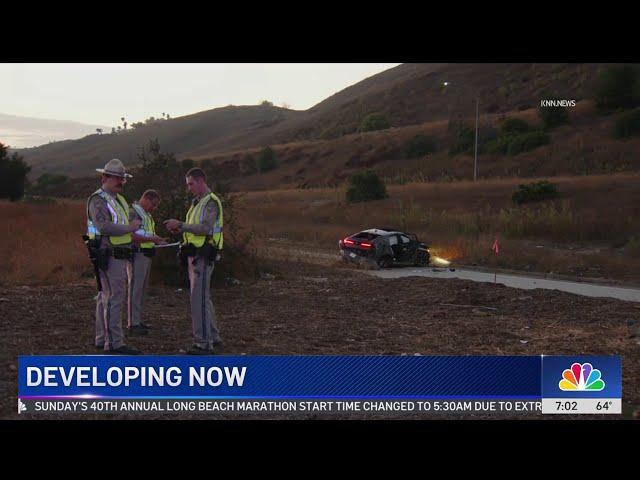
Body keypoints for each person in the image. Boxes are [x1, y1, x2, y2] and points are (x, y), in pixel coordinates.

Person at [164, 168, 223, 355]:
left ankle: (203, 343)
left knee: (199, 300)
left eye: (190, 184)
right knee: (203, 298)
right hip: (195, 254)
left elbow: (205, 228)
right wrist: (181, 230)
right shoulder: (197, 203)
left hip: (203, 255)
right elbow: (195, 228)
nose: (188, 188)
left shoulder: (210, 202)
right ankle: (212, 336)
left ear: (200, 181)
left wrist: (181, 225)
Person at [86, 159, 142, 354]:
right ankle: (115, 344)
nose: (120, 181)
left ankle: (103, 339)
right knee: (114, 298)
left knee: (106, 297)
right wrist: (130, 228)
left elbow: (121, 225)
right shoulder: (98, 199)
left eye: (122, 178)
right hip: (108, 255)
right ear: (104, 178)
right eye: (117, 178)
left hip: (117, 254)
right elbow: (103, 226)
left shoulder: (118, 200)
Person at [127, 189, 167, 335]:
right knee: (135, 289)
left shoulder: (146, 215)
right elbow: (131, 235)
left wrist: (158, 240)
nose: (154, 208)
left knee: (142, 290)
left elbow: (146, 233)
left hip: (146, 254)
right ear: (146, 199)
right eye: (153, 204)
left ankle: (137, 320)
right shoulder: (134, 213)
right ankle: (133, 323)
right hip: (137, 254)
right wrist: (153, 240)